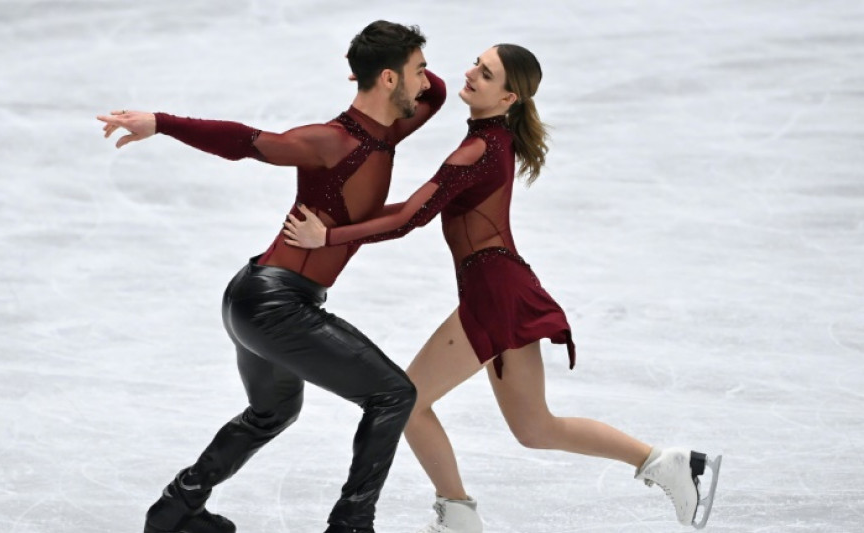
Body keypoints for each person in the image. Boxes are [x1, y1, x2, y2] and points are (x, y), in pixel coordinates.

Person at [282, 44, 722, 532]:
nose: (470, 72)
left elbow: (411, 217)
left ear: (508, 96)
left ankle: (457, 516)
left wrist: (329, 236)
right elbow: (410, 205)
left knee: (406, 399)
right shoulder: (492, 140)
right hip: (502, 286)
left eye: (485, 74)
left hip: (494, 290)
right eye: (476, 61)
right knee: (535, 427)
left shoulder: (478, 149)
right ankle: (670, 462)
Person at [97, 20, 447, 533]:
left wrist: (390, 63)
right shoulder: (332, 141)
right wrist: (162, 122)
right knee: (393, 394)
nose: (426, 80)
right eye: (417, 69)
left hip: (253, 297)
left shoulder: (389, 129)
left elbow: (434, 95)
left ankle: (176, 508)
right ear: (390, 80)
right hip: (277, 306)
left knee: (273, 411)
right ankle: (351, 525)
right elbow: (246, 141)